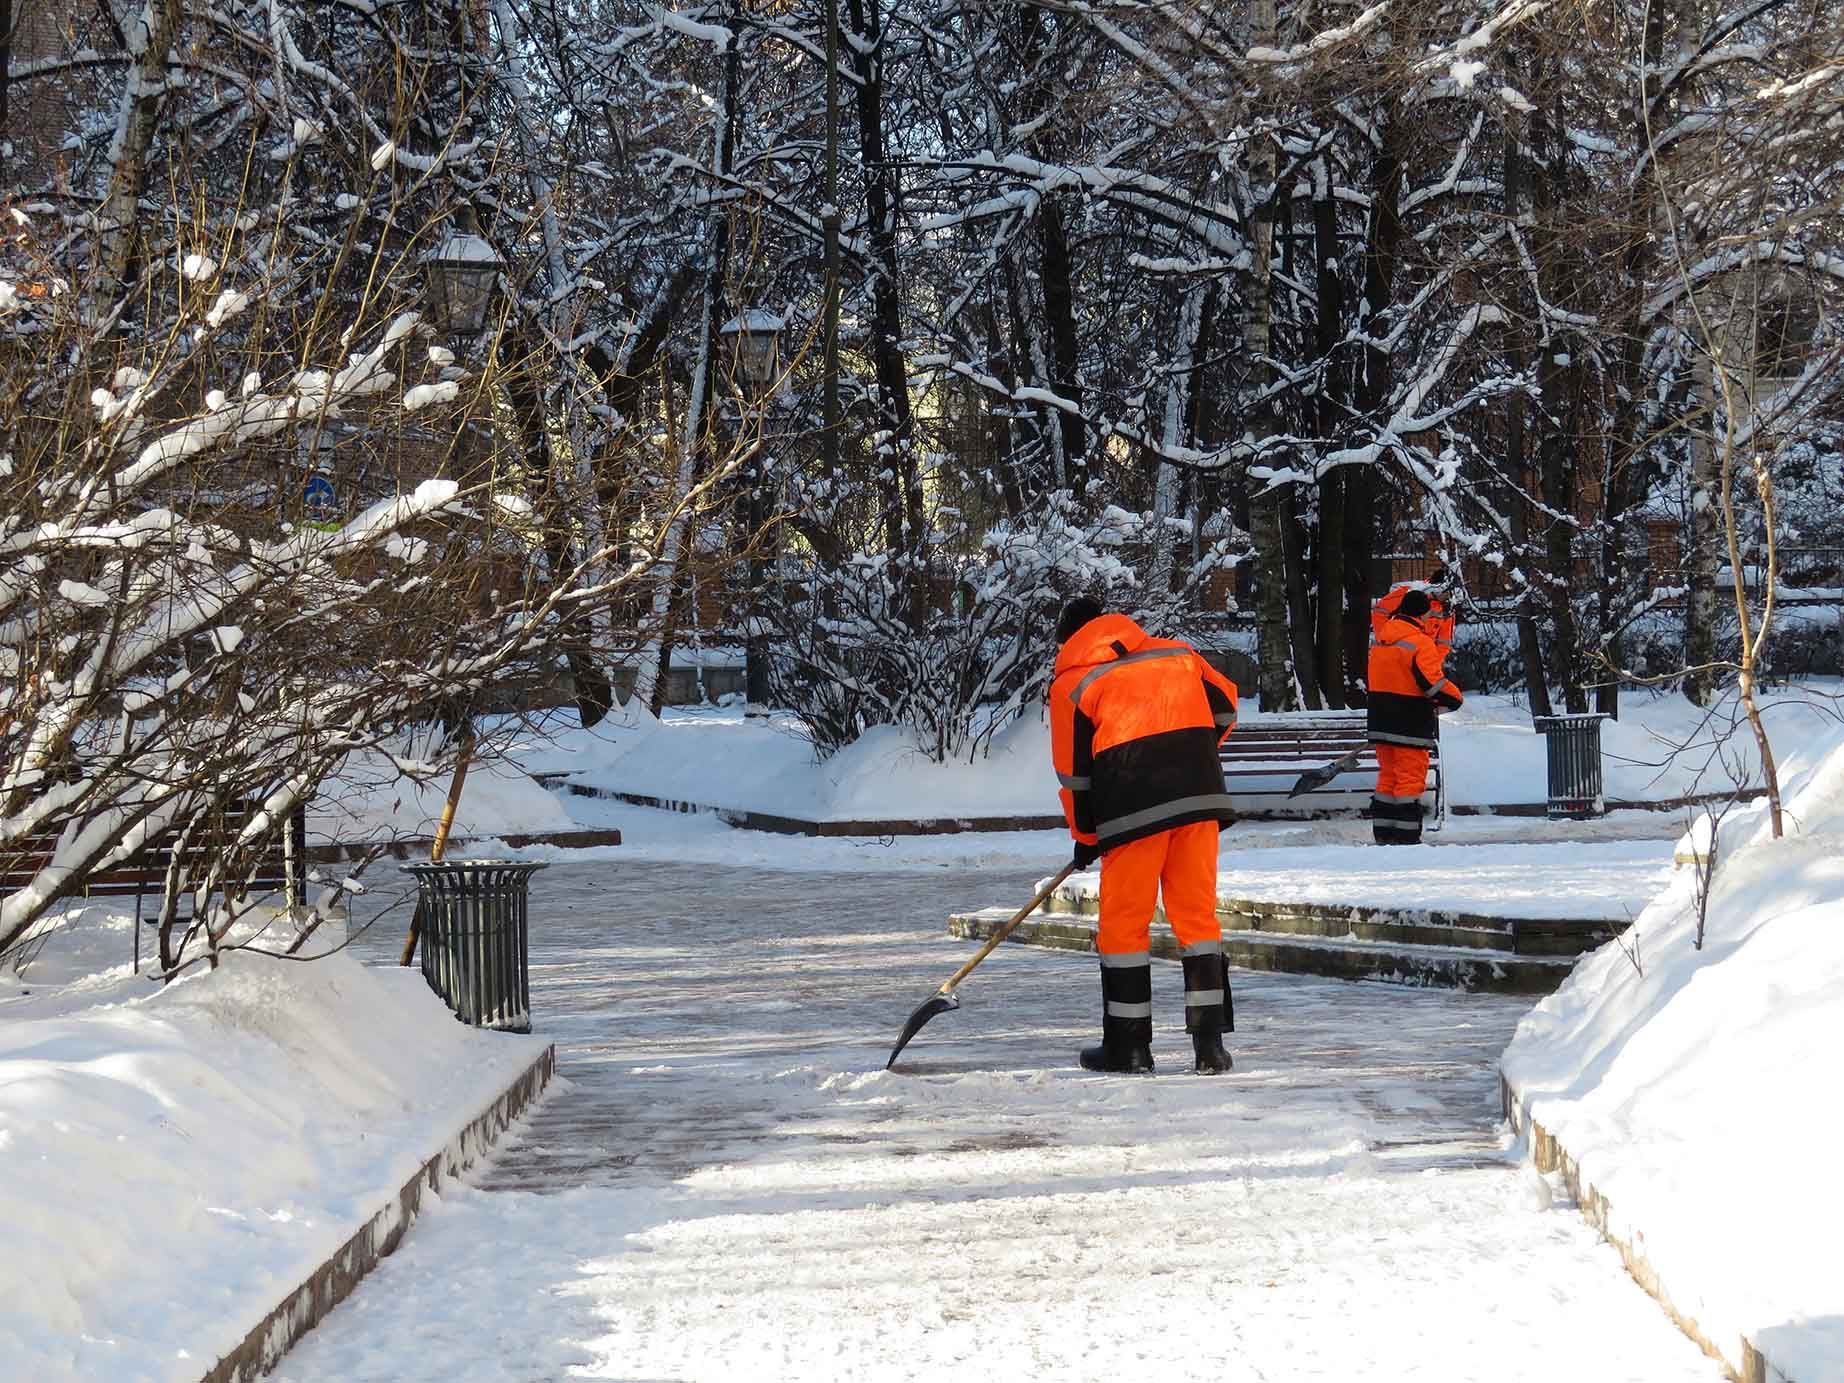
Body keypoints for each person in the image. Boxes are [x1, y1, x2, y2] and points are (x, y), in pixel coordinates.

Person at [1048, 596, 1240, 1074]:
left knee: (1124, 925)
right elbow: (1227, 707)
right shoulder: (1177, 654)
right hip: (1198, 801)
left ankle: (1129, 1049)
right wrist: (1184, 754)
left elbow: (1075, 775)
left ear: (1068, 639)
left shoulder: (1073, 682)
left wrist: (1086, 833)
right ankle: (1210, 1048)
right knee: (1197, 919)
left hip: (1131, 811)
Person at [1366, 588, 1462, 845]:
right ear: (1422, 613)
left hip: (1381, 719)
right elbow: (1431, 682)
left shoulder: (1382, 638)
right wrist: (1455, 698)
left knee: (1388, 776)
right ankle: (1407, 835)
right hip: (1409, 721)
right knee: (1409, 778)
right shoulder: (1419, 642)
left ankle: (1384, 832)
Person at [1371, 568, 1456, 655]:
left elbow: (1444, 642)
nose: (1450, 596)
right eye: (1447, 592)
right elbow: (1380, 612)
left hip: (1421, 659)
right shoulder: (1409, 593)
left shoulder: (1447, 608)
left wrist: (1432, 662)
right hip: (1395, 654)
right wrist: (1384, 639)